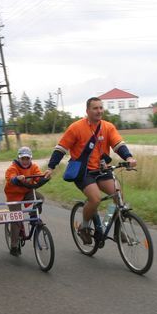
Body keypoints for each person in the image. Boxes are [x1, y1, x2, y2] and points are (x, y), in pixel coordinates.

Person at [43, 96, 136, 246]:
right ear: (87, 111)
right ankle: (84, 227)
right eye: (95, 108)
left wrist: (129, 157)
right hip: (83, 172)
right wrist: (51, 167)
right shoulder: (76, 127)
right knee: (95, 199)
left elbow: (118, 145)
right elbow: (61, 149)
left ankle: (118, 230)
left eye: (101, 108)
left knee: (118, 196)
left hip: (102, 169)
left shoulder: (108, 127)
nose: (99, 111)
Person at [4, 146, 44, 256]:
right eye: (23, 159)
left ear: (31, 158)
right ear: (18, 158)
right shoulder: (13, 167)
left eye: (27, 158)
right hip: (14, 195)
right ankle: (14, 246)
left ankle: (33, 216)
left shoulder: (34, 166)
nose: (25, 161)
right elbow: (10, 177)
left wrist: (44, 177)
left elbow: (38, 177)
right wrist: (16, 178)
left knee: (40, 198)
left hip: (26, 192)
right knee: (17, 219)